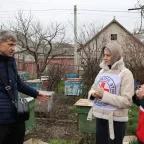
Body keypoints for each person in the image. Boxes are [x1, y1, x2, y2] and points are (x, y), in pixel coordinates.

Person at [0, 30, 50, 144]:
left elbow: (18, 84)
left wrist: (36, 94)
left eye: (14, 45)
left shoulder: (11, 62)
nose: (13, 48)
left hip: (16, 116)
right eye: (10, 45)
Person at [87, 41, 134, 144]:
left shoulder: (126, 74)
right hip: (100, 118)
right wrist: (93, 94)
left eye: (108, 55)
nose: (105, 58)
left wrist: (104, 95)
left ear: (116, 56)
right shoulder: (102, 71)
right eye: (104, 55)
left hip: (116, 121)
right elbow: (93, 88)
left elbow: (127, 101)